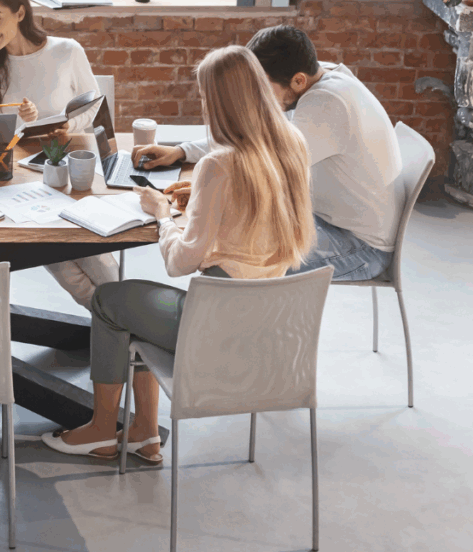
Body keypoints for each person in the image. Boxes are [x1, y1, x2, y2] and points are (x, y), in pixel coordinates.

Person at [42, 45, 316, 463]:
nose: (203, 107)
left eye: (206, 98)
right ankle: (144, 433)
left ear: (223, 103)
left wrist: (162, 212)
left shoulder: (219, 165)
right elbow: (256, 207)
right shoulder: (291, 144)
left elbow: (179, 262)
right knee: (133, 304)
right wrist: (204, 201)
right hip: (268, 328)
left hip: (215, 326)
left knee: (110, 300)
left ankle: (103, 428)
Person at [134, 25, 403, 282]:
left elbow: (258, 146)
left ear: (298, 80)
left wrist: (179, 209)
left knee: (228, 258)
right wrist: (182, 151)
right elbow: (254, 136)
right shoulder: (320, 77)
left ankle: (221, 320)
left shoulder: (328, 105)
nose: (254, 96)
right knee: (227, 236)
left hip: (359, 246)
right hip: (328, 217)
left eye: (261, 86)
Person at [0, 0, 118, 309]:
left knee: (87, 247)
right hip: (22, 179)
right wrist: (25, 119)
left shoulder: (66, 51)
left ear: (20, 13)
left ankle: (120, 315)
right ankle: (119, 317)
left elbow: (93, 106)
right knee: (51, 249)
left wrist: (68, 128)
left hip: (71, 169)